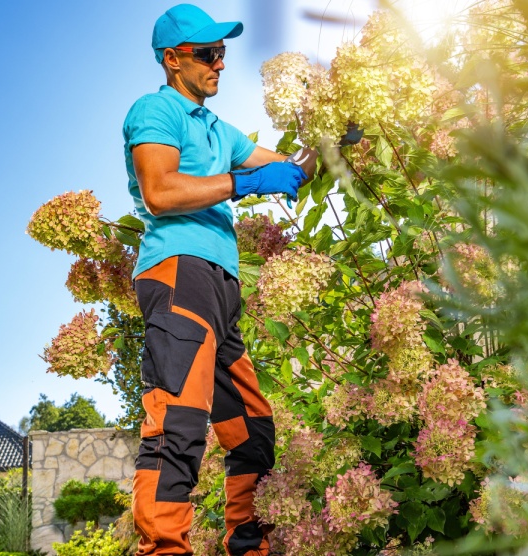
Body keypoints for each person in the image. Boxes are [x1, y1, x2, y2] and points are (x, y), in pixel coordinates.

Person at [122, 4, 309, 555]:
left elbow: (292, 167)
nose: (219, 63)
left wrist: (330, 142)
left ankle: (248, 544)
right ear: (173, 59)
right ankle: (164, 549)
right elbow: (160, 191)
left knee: (252, 428)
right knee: (179, 417)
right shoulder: (156, 110)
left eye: (222, 53)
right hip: (179, 271)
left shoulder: (218, 129)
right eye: (208, 53)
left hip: (221, 286)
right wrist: (242, 183)